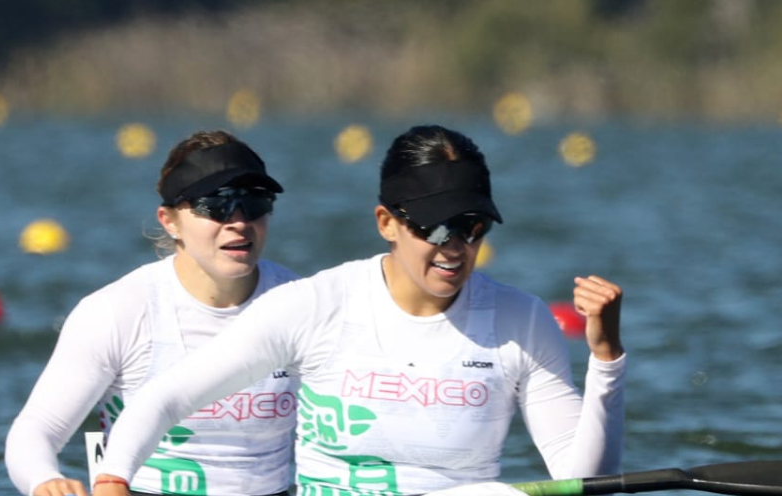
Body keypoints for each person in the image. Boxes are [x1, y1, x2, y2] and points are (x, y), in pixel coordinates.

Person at [91, 124, 626, 496]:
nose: (454, 246)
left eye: (471, 228)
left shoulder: (522, 321)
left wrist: (605, 359)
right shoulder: (315, 306)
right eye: (434, 228)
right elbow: (162, 399)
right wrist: (114, 478)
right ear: (385, 223)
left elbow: (585, 480)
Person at [5, 130, 301, 496]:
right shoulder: (117, 311)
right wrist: (45, 482)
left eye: (255, 202)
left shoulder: (301, 305)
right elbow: (38, 429)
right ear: (169, 220)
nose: (239, 221)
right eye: (216, 204)